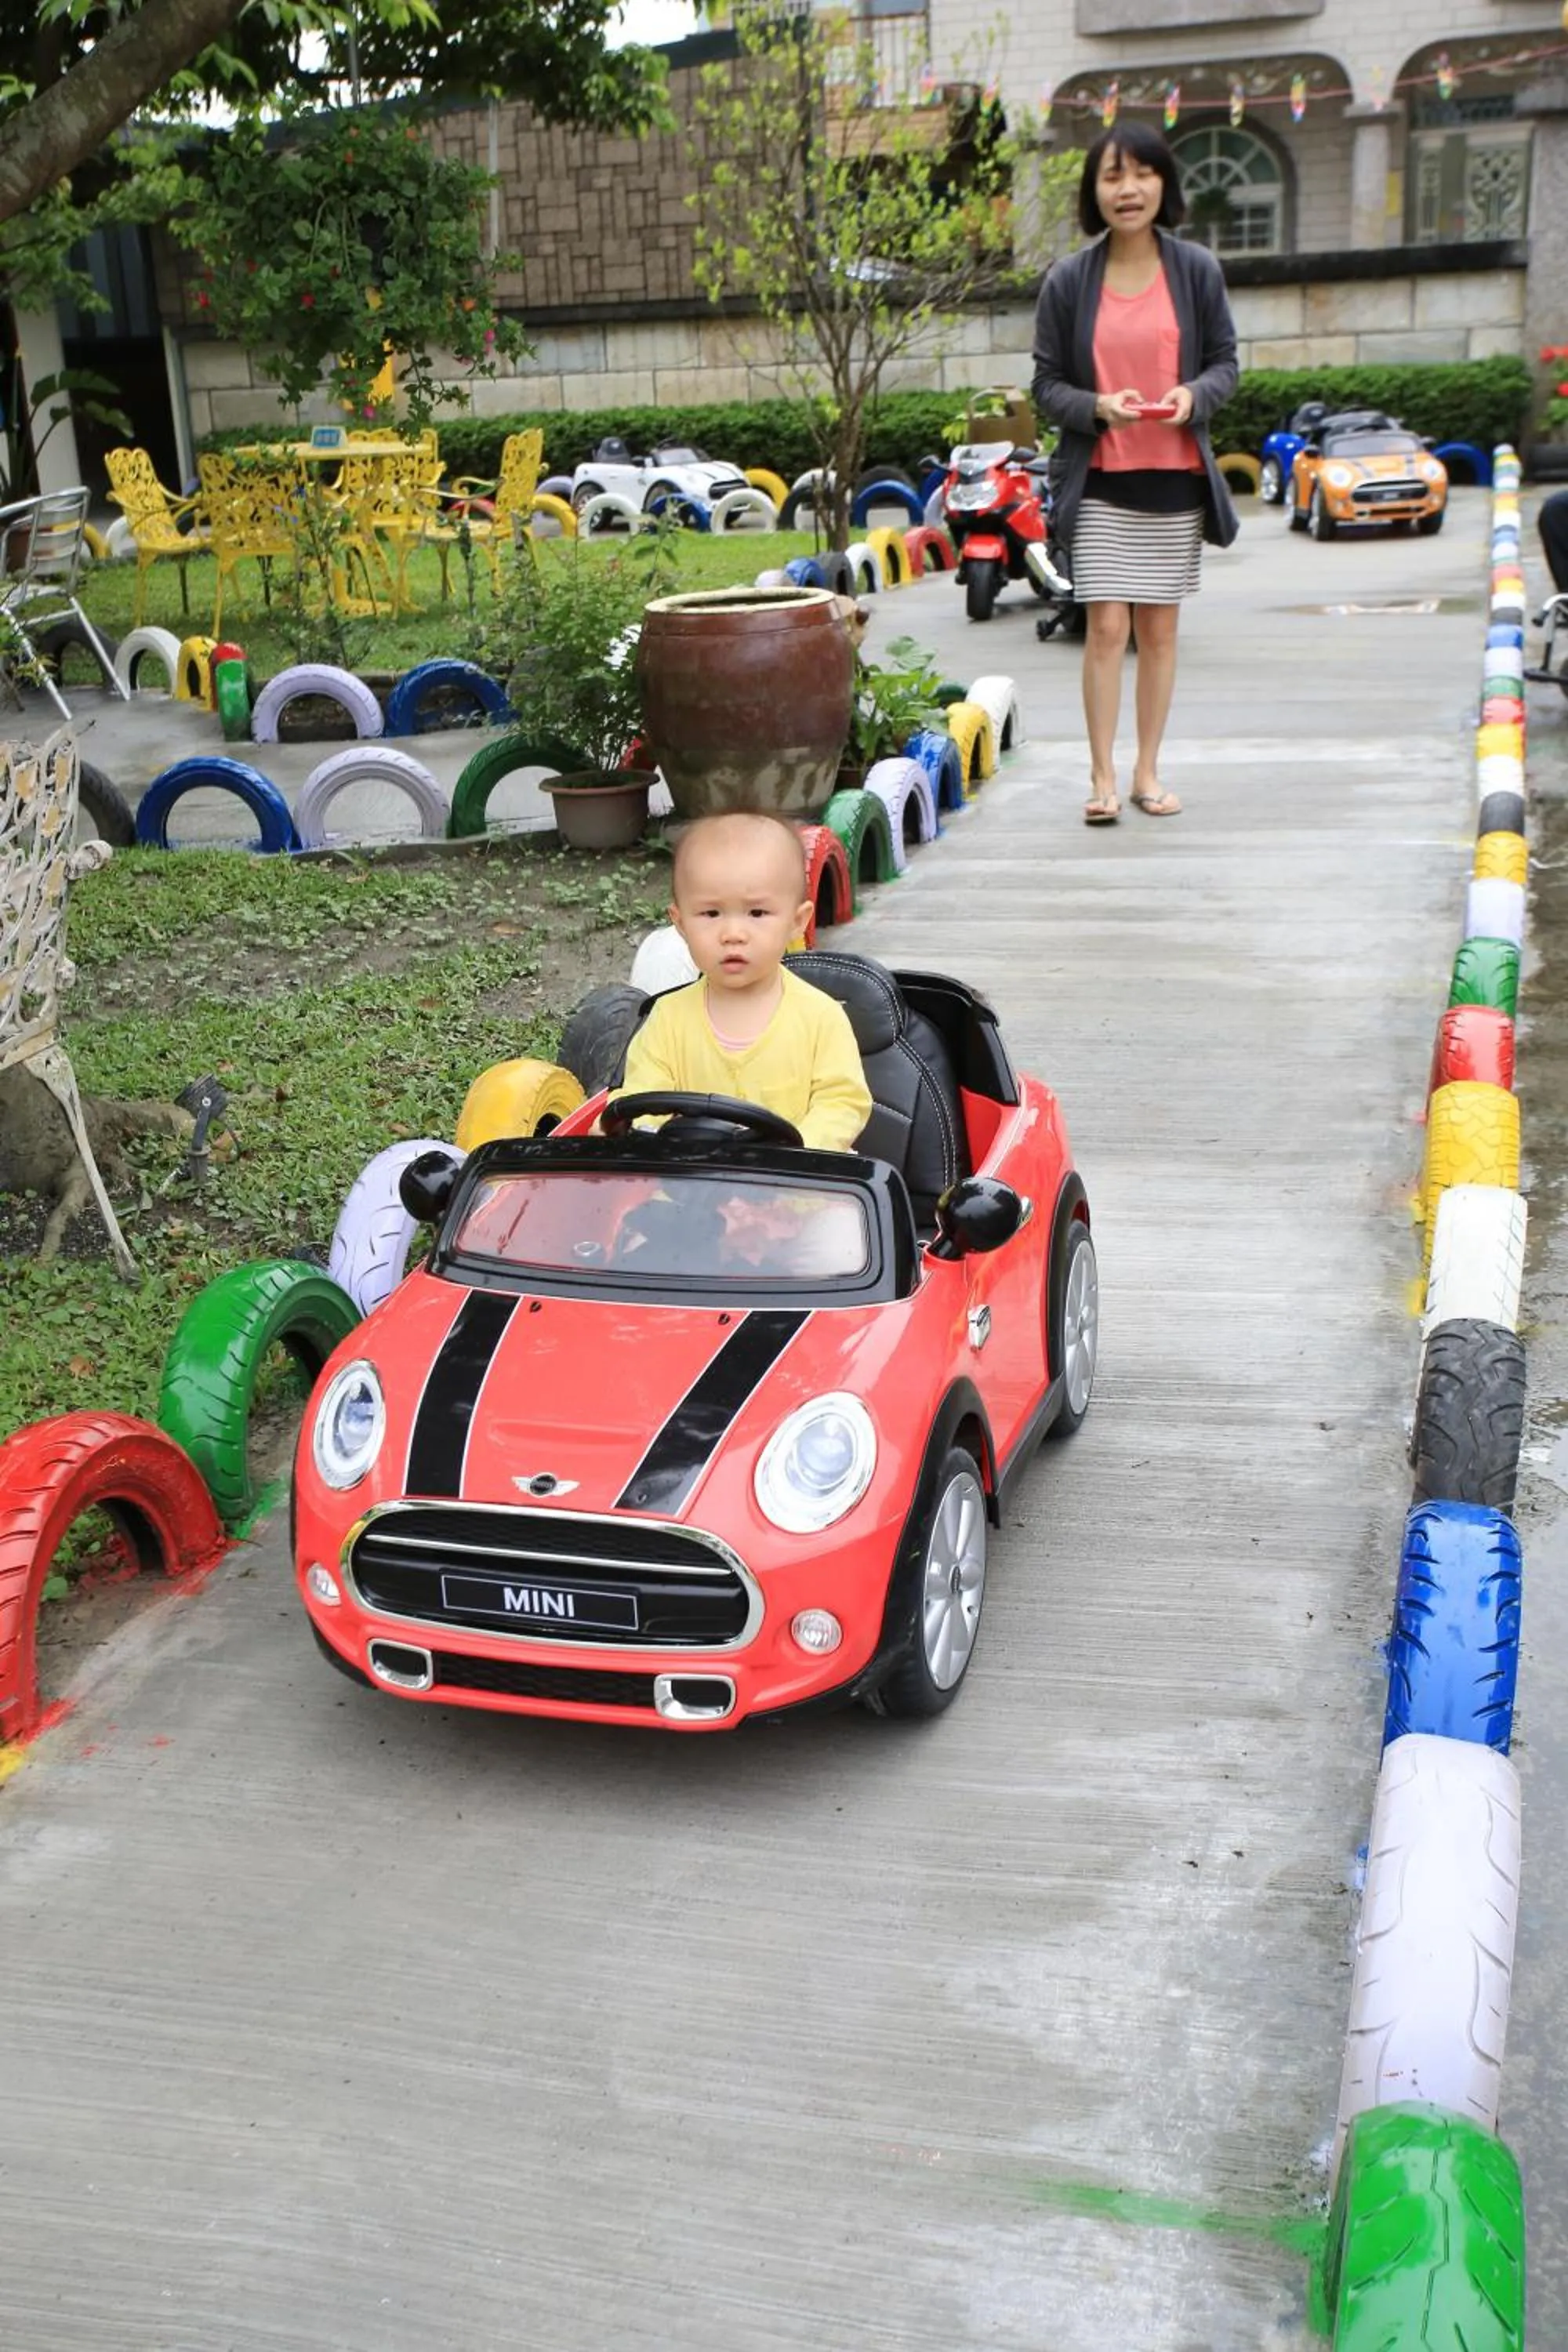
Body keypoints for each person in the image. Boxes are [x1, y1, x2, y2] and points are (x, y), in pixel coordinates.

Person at [1032, 120, 1240, 826]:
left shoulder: (1196, 270)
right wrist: (1097, 407)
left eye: (1142, 174)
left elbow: (1225, 365)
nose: (1129, 189)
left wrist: (1193, 397)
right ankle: (1100, 777)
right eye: (1113, 176)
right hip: (1099, 483)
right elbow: (1047, 386)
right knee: (1105, 631)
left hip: (1174, 480)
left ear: (1163, 184)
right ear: (1095, 191)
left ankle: (1147, 771)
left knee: (1159, 634)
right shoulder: (1068, 280)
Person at [611, 808, 872, 1152]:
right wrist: (640, 1128)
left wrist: (803, 1148)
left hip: (798, 1188)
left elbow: (842, 1103)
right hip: (691, 1185)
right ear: (681, 922)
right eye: (711, 913)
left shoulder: (821, 1018)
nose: (733, 934)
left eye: (757, 913)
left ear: (797, 921)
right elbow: (643, 1097)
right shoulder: (666, 1020)